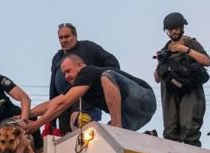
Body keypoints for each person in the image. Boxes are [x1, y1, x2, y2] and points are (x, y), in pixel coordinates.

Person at [25, 54, 156, 133]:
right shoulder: (81, 87)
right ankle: (146, 135)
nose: (66, 76)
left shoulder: (87, 72)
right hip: (134, 117)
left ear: (80, 65)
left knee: (106, 77)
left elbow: (62, 105)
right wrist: (26, 114)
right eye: (64, 73)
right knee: (105, 136)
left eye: (68, 71)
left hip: (144, 98)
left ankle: (117, 125)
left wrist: (37, 124)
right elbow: (53, 103)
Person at [49, 23, 120, 134]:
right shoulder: (57, 58)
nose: (63, 40)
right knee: (65, 138)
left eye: (67, 36)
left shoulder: (87, 47)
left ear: (75, 36)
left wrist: (99, 78)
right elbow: (53, 86)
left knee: (79, 124)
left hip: (84, 98)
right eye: (61, 38)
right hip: (64, 101)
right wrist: (51, 118)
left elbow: (112, 62)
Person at [154, 12, 210, 147]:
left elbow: (207, 61)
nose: (173, 32)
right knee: (170, 131)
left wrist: (187, 50)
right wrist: (161, 61)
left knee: (189, 130)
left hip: (190, 90)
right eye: (170, 29)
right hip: (170, 91)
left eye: (176, 28)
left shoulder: (190, 43)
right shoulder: (165, 49)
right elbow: (157, 78)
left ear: (182, 28)